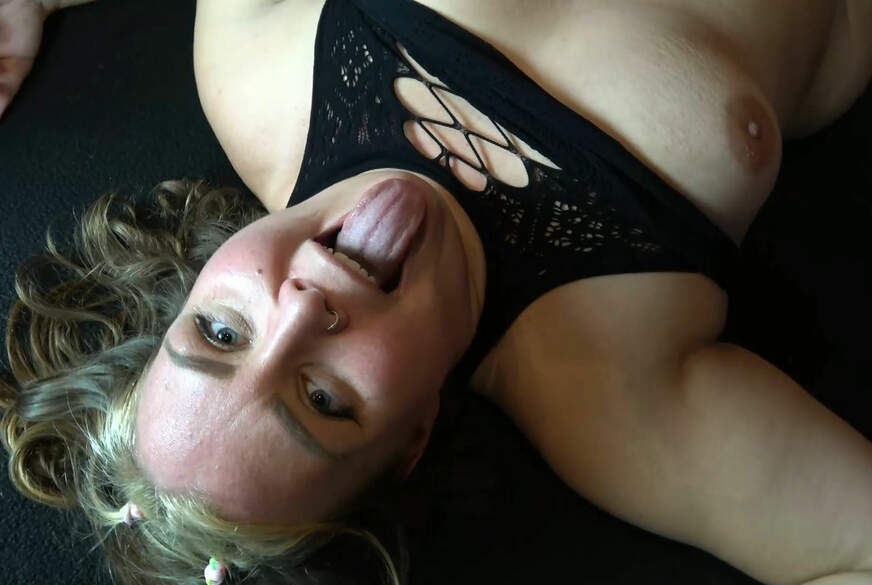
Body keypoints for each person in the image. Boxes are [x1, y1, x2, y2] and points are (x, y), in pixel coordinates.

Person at [2, 0, 872, 584]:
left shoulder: (256, 71)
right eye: (321, 398)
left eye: (223, 333)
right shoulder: (613, 401)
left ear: (195, 282)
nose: (301, 308)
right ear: (413, 436)